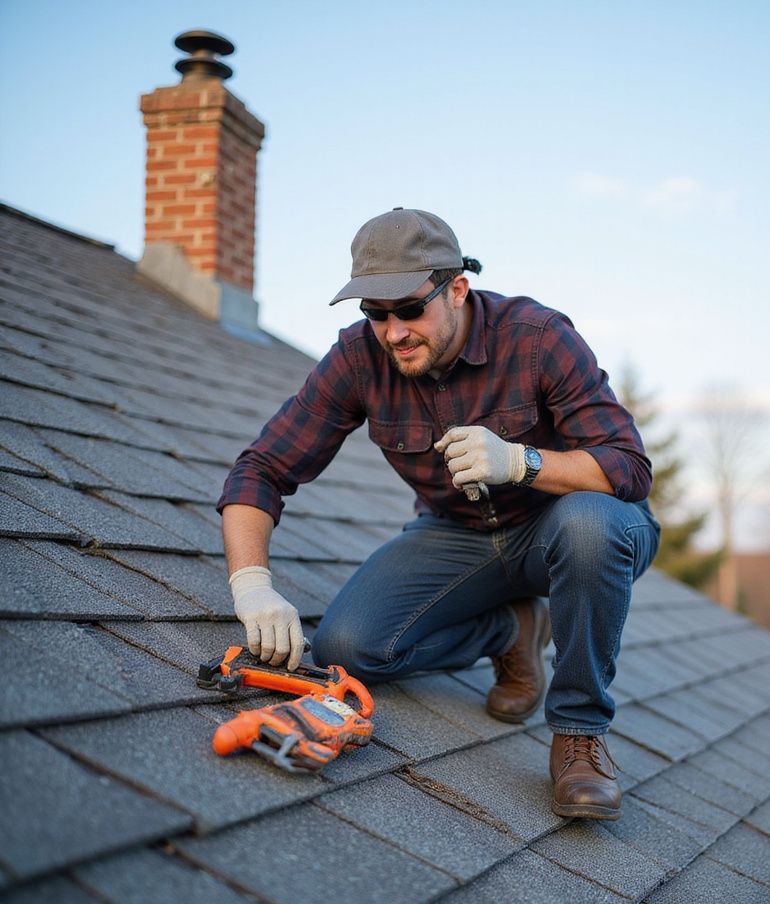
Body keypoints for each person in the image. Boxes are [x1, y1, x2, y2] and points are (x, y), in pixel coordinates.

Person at [218, 208, 660, 819]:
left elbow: (629, 468)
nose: (393, 332)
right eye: (375, 315)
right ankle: (513, 631)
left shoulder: (537, 337)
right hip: (462, 534)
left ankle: (579, 735)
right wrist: (251, 584)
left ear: (457, 289)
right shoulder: (358, 359)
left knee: (590, 524)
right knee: (351, 646)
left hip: (567, 528)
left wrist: (523, 462)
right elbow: (263, 467)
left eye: (409, 310)